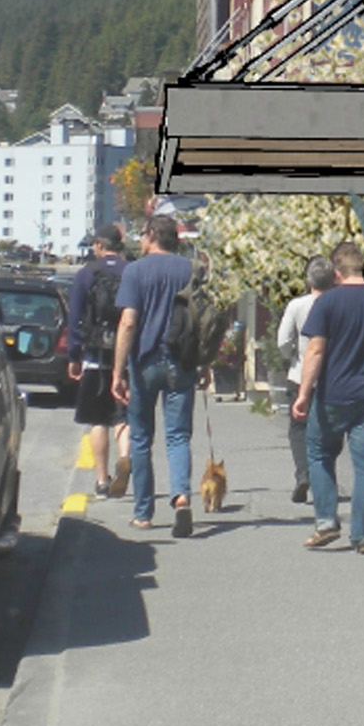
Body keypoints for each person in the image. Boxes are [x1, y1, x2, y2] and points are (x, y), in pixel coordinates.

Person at [292, 240, 364, 554]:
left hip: (332, 396)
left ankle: (326, 521)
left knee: (318, 454)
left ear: (336, 271)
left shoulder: (326, 303)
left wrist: (303, 393)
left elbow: (315, 350)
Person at [110, 214, 206, 536]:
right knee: (178, 435)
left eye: (142, 234)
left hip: (145, 361)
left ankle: (143, 512)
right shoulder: (189, 269)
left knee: (140, 437)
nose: (139, 240)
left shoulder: (135, 271)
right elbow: (202, 319)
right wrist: (204, 363)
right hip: (182, 361)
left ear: (152, 235)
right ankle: (181, 498)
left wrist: (117, 371)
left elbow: (128, 322)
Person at [67, 224, 131, 498]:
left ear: (99, 245)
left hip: (95, 353)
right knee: (123, 416)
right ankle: (125, 457)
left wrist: (74, 356)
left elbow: (75, 317)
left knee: (97, 420)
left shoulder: (86, 274)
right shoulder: (132, 271)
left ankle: (102, 480)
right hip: (125, 354)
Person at [277, 254, 336, 503]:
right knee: (328, 429)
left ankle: (303, 474)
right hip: (332, 376)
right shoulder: (338, 304)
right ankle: (326, 478)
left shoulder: (297, 305)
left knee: (299, 428)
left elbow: (282, 341)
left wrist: (293, 356)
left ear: (308, 279)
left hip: (300, 374)